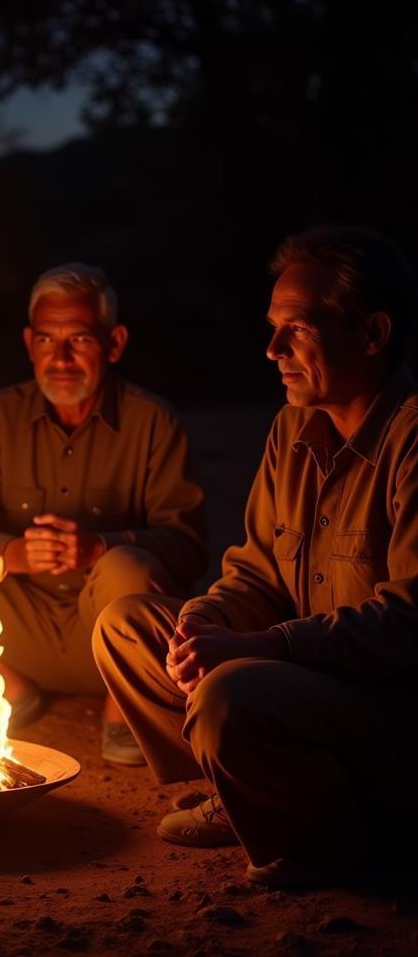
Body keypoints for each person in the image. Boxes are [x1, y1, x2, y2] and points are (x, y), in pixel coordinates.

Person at [93, 225, 418, 887]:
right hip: (298, 678)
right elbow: (257, 570)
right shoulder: (293, 427)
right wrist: (206, 621)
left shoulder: (411, 439)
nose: (272, 350)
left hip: (392, 709)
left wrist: (268, 648)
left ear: (373, 333)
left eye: (295, 329)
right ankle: (250, 791)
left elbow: (411, 620)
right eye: (271, 328)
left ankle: (333, 841)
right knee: (127, 628)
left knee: (230, 695)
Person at [0, 263, 207, 761]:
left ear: (114, 343)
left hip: (106, 638)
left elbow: (188, 547)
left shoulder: (153, 422)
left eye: (79, 340)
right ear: (28, 343)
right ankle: (9, 690)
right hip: (20, 635)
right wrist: (14, 554)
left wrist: (101, 546)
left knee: (126, 565)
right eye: (46, 340)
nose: (60, 358)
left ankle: (122, 709)